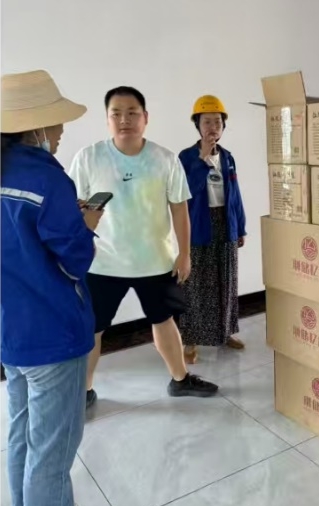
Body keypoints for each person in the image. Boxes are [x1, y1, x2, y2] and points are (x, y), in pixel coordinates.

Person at [68, 86, 219, 408]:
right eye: (116, 113)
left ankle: (180, 379)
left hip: (155, 261)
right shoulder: (88, 158)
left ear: (145, 118)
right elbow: (75, 208)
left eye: (132, 113)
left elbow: (179, 207)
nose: (125, 120)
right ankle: (82, 392)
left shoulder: (164, 159)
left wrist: (184, 253)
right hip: (103, 263)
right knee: (92, 329)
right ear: (107, 119)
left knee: (164, 321)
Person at [1, 69, 103, 506]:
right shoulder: (47, 179)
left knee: (22, 436)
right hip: (53, 336)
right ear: (37, 127)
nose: (61, 132)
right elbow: (74, 260)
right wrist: (86, 225)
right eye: (57, 122)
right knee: (51, 455)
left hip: (11, 335)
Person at [177, 95, 247, 364]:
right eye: (207, 122)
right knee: (197, 286)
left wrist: (240, 227)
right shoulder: (186, 157)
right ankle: (190, 341)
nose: (212, 127)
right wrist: (202, 159)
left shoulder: (228, 157)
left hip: (225, 223)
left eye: (217, 122)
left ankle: (224, 333)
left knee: (226, 282)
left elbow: (235, 196)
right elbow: (186, 192)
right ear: (197, 125)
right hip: (199, 226)